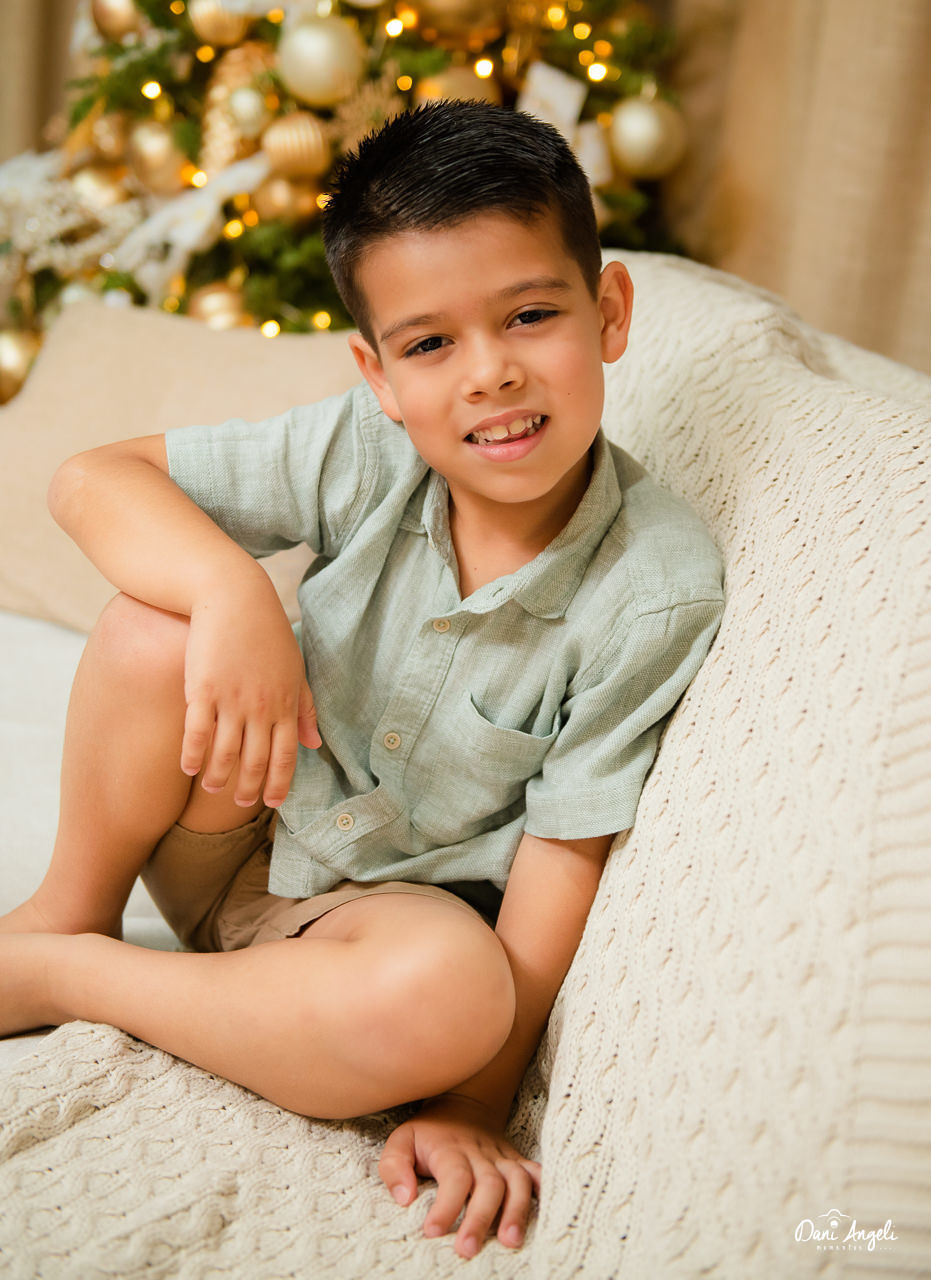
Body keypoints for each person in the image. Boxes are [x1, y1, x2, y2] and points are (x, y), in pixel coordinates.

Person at [0, 101, 724, 1258]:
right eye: (430, 344)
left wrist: (474, 1098)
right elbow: (92, 478)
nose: (489, 373)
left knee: (457, 993)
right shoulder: (365, 446)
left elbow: (565, 852)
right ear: (378, 375)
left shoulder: (655, 583)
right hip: (230, 813)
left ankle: (74, 975)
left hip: (365, 926)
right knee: (151, 629)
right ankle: (67, 912)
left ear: (609, 312)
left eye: (530, 315)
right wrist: (233, 592)